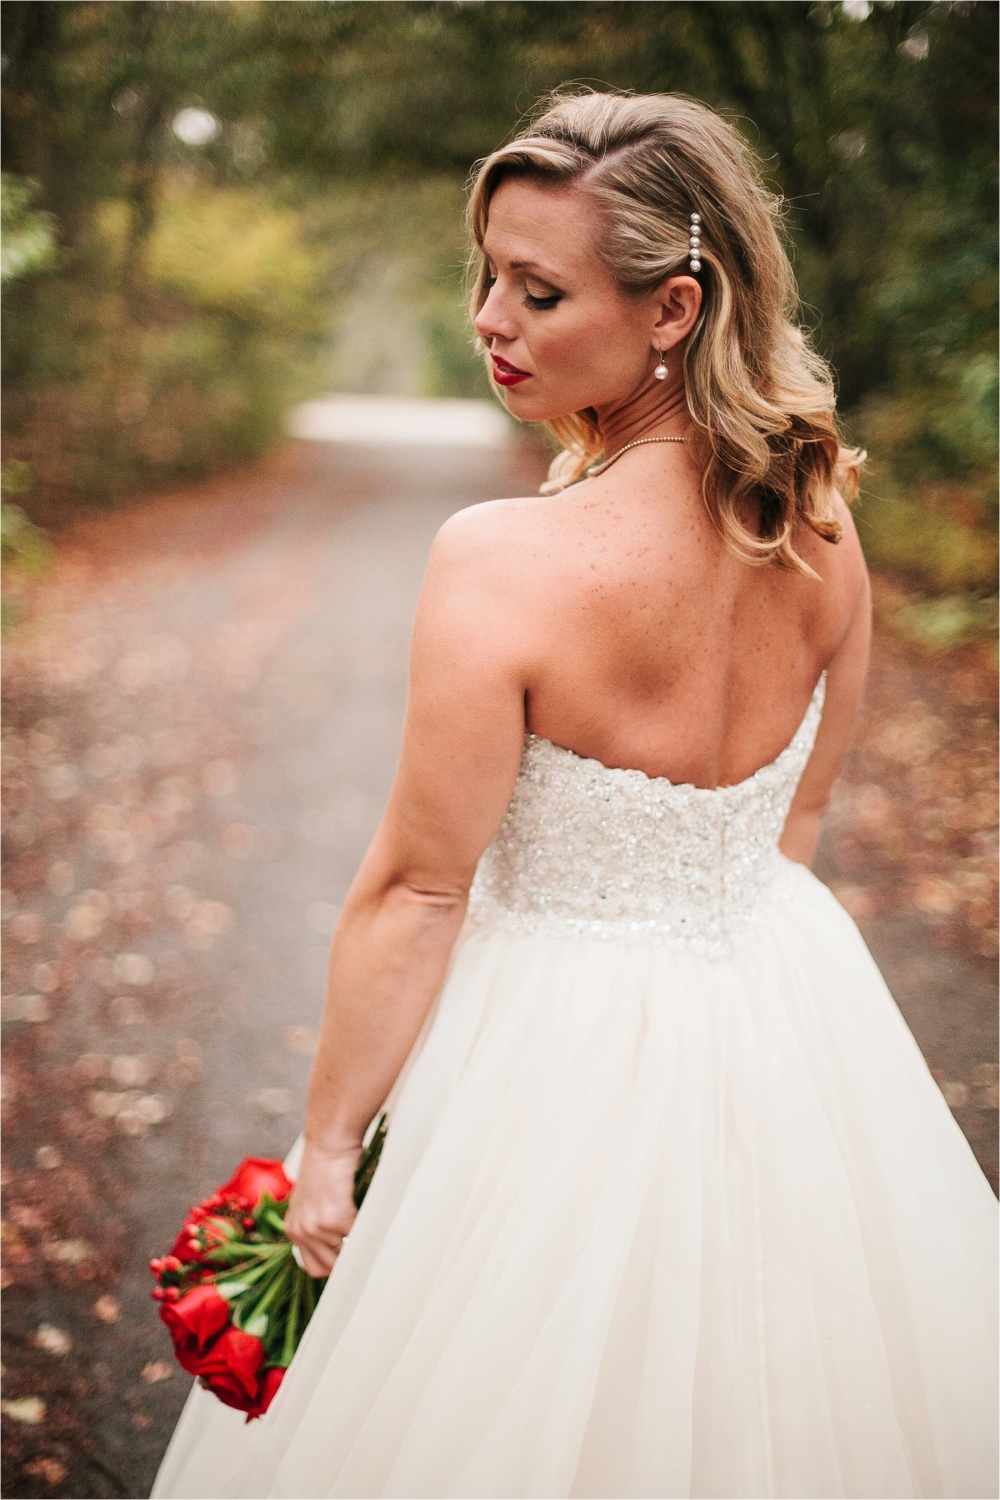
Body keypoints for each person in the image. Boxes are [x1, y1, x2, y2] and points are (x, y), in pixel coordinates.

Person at [152, 91, 997, 1500]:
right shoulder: (821, 528)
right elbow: (797, 826)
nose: (492, 316)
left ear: (673, 309)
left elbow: (420, 888)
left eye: (539, 292)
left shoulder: (503, 561)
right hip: (787, 1023)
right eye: (488, 274)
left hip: (541, 1046)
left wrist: (325, 1149)